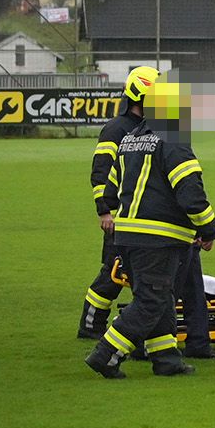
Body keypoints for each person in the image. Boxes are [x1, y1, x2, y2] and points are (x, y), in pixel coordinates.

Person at [83, 80, 215, 379]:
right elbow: (190, 191)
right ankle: (106, 354)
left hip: (126, 235)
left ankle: (166, 358)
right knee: (152, 300)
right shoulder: (173, 139)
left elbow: (111, 186)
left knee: (162, 297)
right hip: (158, 237)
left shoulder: (131, 138)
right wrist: (208, 228)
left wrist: (109, 211)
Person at [78, 65, 158, 338]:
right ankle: (91, 324)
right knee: (113, 271)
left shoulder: (148, 127)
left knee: (131, 274)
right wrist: (105, 211)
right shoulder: (116, 129)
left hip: (140, 216)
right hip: (119, 216)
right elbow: (100, 172)